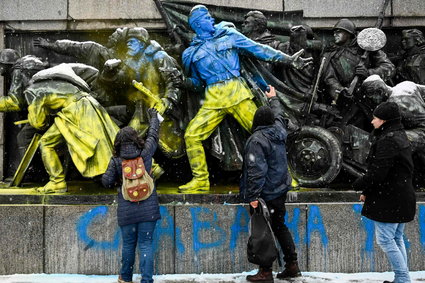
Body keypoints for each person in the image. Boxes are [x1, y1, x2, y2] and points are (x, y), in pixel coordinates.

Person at [179, 5, 312, 192]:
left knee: (268, 135)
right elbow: (197, 84)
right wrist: (183, 82)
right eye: (207, 17)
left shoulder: (229, 35)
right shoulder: (190, 53)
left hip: (237, 93)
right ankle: (200, 179)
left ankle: (286, 178)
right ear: (197, 24)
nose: (211, 19)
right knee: (192, 136)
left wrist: (288, 59)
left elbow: (260, 50)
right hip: (213, 99)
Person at [24, 64, 119, 193]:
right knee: (108, 139)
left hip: (75, 110)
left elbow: (38, 123)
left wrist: (34, 114)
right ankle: (146, 168)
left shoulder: (33, 93)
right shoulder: (53, 83)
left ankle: (57, 182)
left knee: (46, 143)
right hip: (89, 103)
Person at [240, 86, 300, 282]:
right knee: (280, 226)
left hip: (265, 194)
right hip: (280, 189)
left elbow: (257, 171)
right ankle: (292, 265)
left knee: (263, 231)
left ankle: (265, 272)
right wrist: (273, 98)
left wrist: (253, 197)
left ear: (256, 122)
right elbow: (279, 115)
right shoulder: (279, 131)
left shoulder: (256, 140)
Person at [353, 101, 416, 283]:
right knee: (396, 238)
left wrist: (359, 184)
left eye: (375, 118)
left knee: (386, 240)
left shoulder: (388, 140)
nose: (372, 121)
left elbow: (378, 173)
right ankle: (401, 278)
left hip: (390, 199)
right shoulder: (399, 135)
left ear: (384, 121)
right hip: (401, 195)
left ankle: (403, 278)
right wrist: (367, 190)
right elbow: (388, 171)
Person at [102, 109, 161, 283]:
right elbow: (153, 136)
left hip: (127, 209)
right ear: (136, 139)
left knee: (128, 245)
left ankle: (126, 278)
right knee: (146, 245)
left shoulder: (116, 161)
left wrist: (117, 180)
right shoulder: (145, 154)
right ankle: (147, 280)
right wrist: (153, 118)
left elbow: (106, 181)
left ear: (118, 142)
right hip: (148, 208)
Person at [321, 18, 395, 127]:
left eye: (339, 31)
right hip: (348, 99)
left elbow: (389, 68)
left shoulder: (367, 47)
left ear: (349, 34)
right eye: (334, 32)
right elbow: (329, 78)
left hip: (371, 96)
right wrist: (341, 91)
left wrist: (368, 73)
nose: (335, 34)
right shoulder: (331, 53)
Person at [360, 74, 425, 170]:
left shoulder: (394, 105)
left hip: (421, 132)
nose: (372, 101)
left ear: (380, 91)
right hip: (418, 128)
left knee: (391, 143)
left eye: (372, 97)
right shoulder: (405, 85)